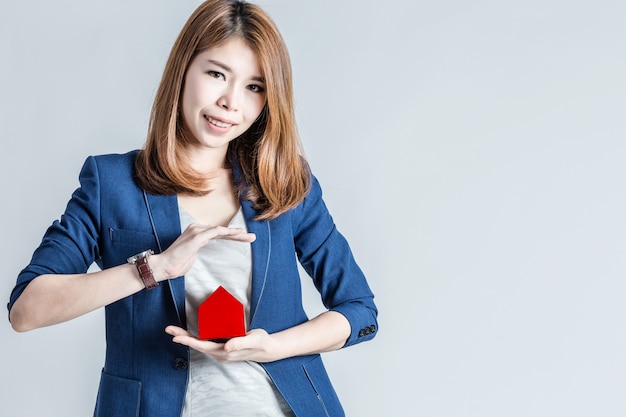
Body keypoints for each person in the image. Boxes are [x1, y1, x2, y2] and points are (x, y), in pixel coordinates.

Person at [7, 0, 378, 416]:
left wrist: (273, 347)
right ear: (184, 69)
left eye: (254, 86)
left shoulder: (287, 184)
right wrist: (154, 268)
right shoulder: (111, 184)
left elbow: (359, 310)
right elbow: (26, 309)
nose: (230, 102)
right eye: (217, 74)